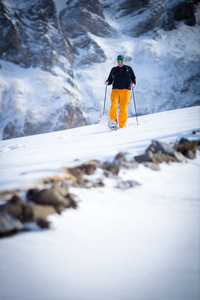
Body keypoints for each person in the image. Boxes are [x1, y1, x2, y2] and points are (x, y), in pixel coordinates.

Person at [105, 55, 136, 128]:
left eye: (121, 61)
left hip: (126, 90)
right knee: (113, 104)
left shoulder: (128, 69)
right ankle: (113, 122)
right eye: (118, 61)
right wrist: (107, 82)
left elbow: (133, 78)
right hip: (115, 89)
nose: (120, 63)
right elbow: (110, 79)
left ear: (124, 61)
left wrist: (133, 83)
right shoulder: (114, 69)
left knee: (123, 108)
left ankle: (122, 125)